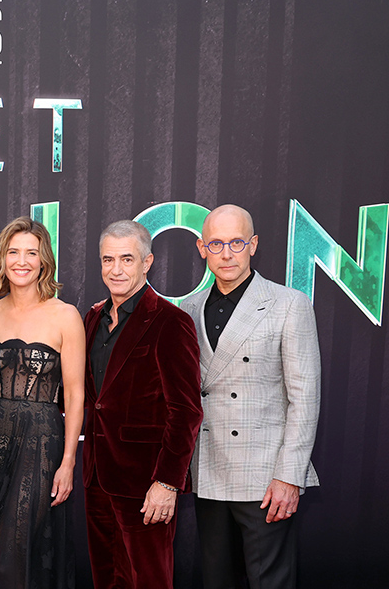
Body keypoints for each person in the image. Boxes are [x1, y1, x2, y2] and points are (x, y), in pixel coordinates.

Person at [182, 205, 321, 589]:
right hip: (209, 472)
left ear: (253, 245)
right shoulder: (187, 310)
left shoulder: (288, 304)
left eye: (237, 242)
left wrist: (289, 476)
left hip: (265, 479)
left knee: (269, 583)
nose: (226, 253)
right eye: (216, 243)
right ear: (201, 248)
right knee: (216, 581)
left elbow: (305, 399)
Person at [0, 216, 85, 588]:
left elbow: (76, 395)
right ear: (2, 258)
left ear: (44, 260)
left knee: (12, 553)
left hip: (41, 447)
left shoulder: (65, 315)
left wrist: (68, 463)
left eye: (31, 252)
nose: (22, 261)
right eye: (14, 252)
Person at [82, 219, 203, 589]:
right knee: (106, 578)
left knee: (147, 579)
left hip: (145, 480)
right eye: (107, 260)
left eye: (126, 259)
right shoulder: (92, 318)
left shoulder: (171, 321)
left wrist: (167, 482)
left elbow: (186, 411)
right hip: (97, 476)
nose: (115, 270)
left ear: (147, 262)